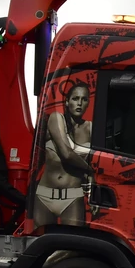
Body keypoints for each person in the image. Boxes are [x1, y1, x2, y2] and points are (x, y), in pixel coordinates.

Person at [34, 81, 95, 228]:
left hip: (73, 196)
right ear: (67, 102)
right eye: (75, 98)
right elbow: (67, 153)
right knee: (41, 246)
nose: (79, 103)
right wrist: (91, 172)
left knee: (73, 246)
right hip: (44, 195)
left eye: (84, 99)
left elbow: (100, 158)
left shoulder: (91, 128)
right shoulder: (56, 118)